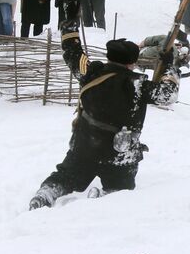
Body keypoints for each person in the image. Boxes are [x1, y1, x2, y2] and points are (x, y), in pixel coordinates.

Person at [28, 31, 180, 210]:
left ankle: (45, 195)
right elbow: (168, 94)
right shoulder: (137, 84)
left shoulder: (91, 73)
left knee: (65, 177)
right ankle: (105, 197)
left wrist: (69, 27)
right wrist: (170, 65)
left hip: (85, 144)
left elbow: (73, 52)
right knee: (121, 189)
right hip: (119, 152)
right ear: (132, 62)